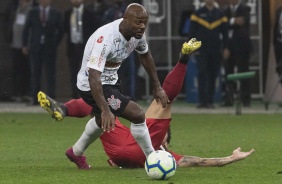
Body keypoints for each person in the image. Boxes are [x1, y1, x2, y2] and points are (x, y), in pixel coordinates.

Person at [38, 39, 254, 169]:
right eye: (167, 136)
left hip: (120, 145)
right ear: (166, 139)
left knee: (101, 107)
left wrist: (230, 158)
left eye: (167, 137)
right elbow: (199, 162)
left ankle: (66, 115)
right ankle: (183, 59)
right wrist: (229, 159)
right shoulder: (163, 152)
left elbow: (199, 161)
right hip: (136, 144)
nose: (167, 139)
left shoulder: (169, 156)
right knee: (106, 106)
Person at [61, 3, 169, 170]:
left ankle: (76, 152)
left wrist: (157, 86)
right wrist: (105, 109)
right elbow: (94, 76)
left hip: (110, 81)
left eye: (144, 23)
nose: (142, 26)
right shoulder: (105, 39)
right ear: (125, 19)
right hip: (91, 84)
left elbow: (145, 55)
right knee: (138, 115)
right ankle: (152, 160)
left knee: (101, 122)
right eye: (138, 22)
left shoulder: (138, 34)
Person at [22, 0, 64, 105]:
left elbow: (61, 30)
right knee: (35, 74)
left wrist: (55, 42)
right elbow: (26, 29)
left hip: (49, 48)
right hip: (35, 48)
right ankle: (35, 99)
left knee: (50, 74)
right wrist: (24, 44)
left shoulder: (56, 13)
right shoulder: (33, 12)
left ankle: (51, 98)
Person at [188, 0, 229, 109]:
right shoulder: (198, 13)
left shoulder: (220, 14)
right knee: (202, 73)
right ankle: (202, 101)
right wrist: (191, 46)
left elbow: (225, 33)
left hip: (216, 49)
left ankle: (210, 101)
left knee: (213, 74)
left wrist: (226, 48)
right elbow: (192, 31)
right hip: (201, 49)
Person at [64, 0, 98, 98]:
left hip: (86, 47)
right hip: (73, 47)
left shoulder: (90, 13)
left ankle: (88, 95)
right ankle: (75, 95)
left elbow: (95, 29)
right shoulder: (67, 13)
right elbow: (66, 29)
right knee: (74, 72)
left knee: (88, 72)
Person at [222, 0, 252, 107]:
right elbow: (223, 24)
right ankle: (228, 99)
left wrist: (230, 22)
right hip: (229, 47)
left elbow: (243, 22)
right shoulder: (225, 10)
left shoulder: (245, 8)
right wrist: (233, 21)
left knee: (243, 72)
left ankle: (246, 100)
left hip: (242, 47)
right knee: (228, 73)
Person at [5, 0, 33, 102]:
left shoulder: (33, 6)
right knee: (16, 70)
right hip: (15, 44)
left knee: (27, 70)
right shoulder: (13, 5)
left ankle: (27, 93)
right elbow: (7, 20)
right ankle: (16, 94)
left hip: (27, 45)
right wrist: (8, 36)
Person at [273, 6, 282, 84]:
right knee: (280, 68)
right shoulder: (279, 11)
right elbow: (276, 27)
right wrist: (274, 43)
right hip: (279, 44)